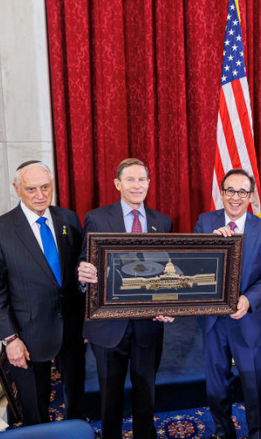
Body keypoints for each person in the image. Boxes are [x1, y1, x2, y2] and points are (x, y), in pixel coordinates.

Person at [0, 161, 85, 424]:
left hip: (72, 331)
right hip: (27, 335)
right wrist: (10, 339)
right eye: (31, 189)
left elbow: (76, 272)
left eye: (45, 187)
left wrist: (86, 320)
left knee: (76, 399)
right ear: (17, 189)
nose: (40, 195)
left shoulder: (68, 218)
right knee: (35, 411)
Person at [77, 158, 173, 439]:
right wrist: (81, 275)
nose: (137, 185)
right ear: (118, 184)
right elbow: (84, 261)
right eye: (130, 180)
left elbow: (167, 270)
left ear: (149, 184)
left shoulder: (162, 222)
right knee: (110, 398)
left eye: (142, 179)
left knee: (146, 395)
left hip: (148, 324)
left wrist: (170, 302)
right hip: (108, 327)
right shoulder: (96, 217)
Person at [193, 168, 261, 439]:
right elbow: (192, 263)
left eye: (242, 192)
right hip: (213, 320)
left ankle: (257, 432)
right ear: (221, 193)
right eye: (230, 191)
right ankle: (223, 430)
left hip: (248, 319)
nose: (235, 197)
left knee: (253, 381)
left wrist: (249, 299)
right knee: (216, 384)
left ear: (251, 195)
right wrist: (210, 245)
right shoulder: (205, 223)